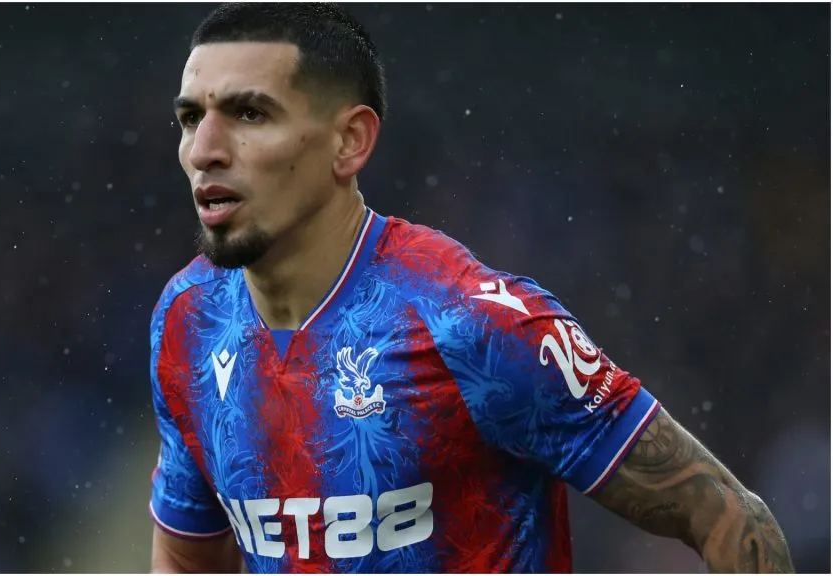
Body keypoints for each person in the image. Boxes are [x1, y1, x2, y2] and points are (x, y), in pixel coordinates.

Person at [148, 3, 794, 573]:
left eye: (250, 113)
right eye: (190, 118)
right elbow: (184, 559)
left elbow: (731, 521)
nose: (204, 150)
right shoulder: (188, 321)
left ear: (350, 141)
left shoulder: (468, 322)